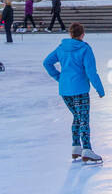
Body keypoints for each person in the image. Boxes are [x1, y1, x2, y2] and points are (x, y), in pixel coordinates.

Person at [43, 21, 105, 163]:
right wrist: (99, 89)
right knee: (83, 119)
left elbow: (47, 62)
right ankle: (87, 149)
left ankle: (76, 147)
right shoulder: (85, 48)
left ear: (70, 34)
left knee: (77, 117)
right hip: (80, 89)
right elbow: (91, 71)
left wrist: (59, 78)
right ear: (82, 34)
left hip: (65, 90)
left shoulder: (61, 48)